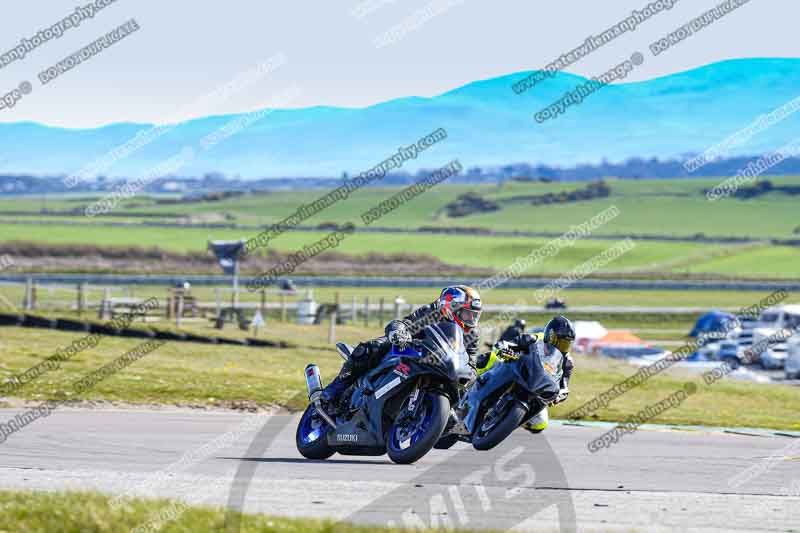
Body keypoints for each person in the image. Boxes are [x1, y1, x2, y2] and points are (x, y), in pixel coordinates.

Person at [320, 286, 483, 409]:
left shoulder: (472, 333)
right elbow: (405, 323)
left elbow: (471, 360)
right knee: (373, 347)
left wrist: (471, 374)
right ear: (451, 307)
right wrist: (398, 332)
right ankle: (334, 389)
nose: (471, 319)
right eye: (467, 314)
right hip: (412, 349)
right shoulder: (432, 312)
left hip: (442, 365)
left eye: (474, 315)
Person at [477, 315, 575, 434]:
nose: (562, 346)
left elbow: (564, 386)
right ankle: (471, 377)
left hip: (535, 389)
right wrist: (505, 348)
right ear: (550, 335)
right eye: (560, 341)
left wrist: (560, 395)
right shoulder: (536, 338)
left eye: (566, 344)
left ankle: (504, 422)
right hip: (516, 370)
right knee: (492, 357)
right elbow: (512, 342)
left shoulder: (567, 362)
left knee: (540, 424)